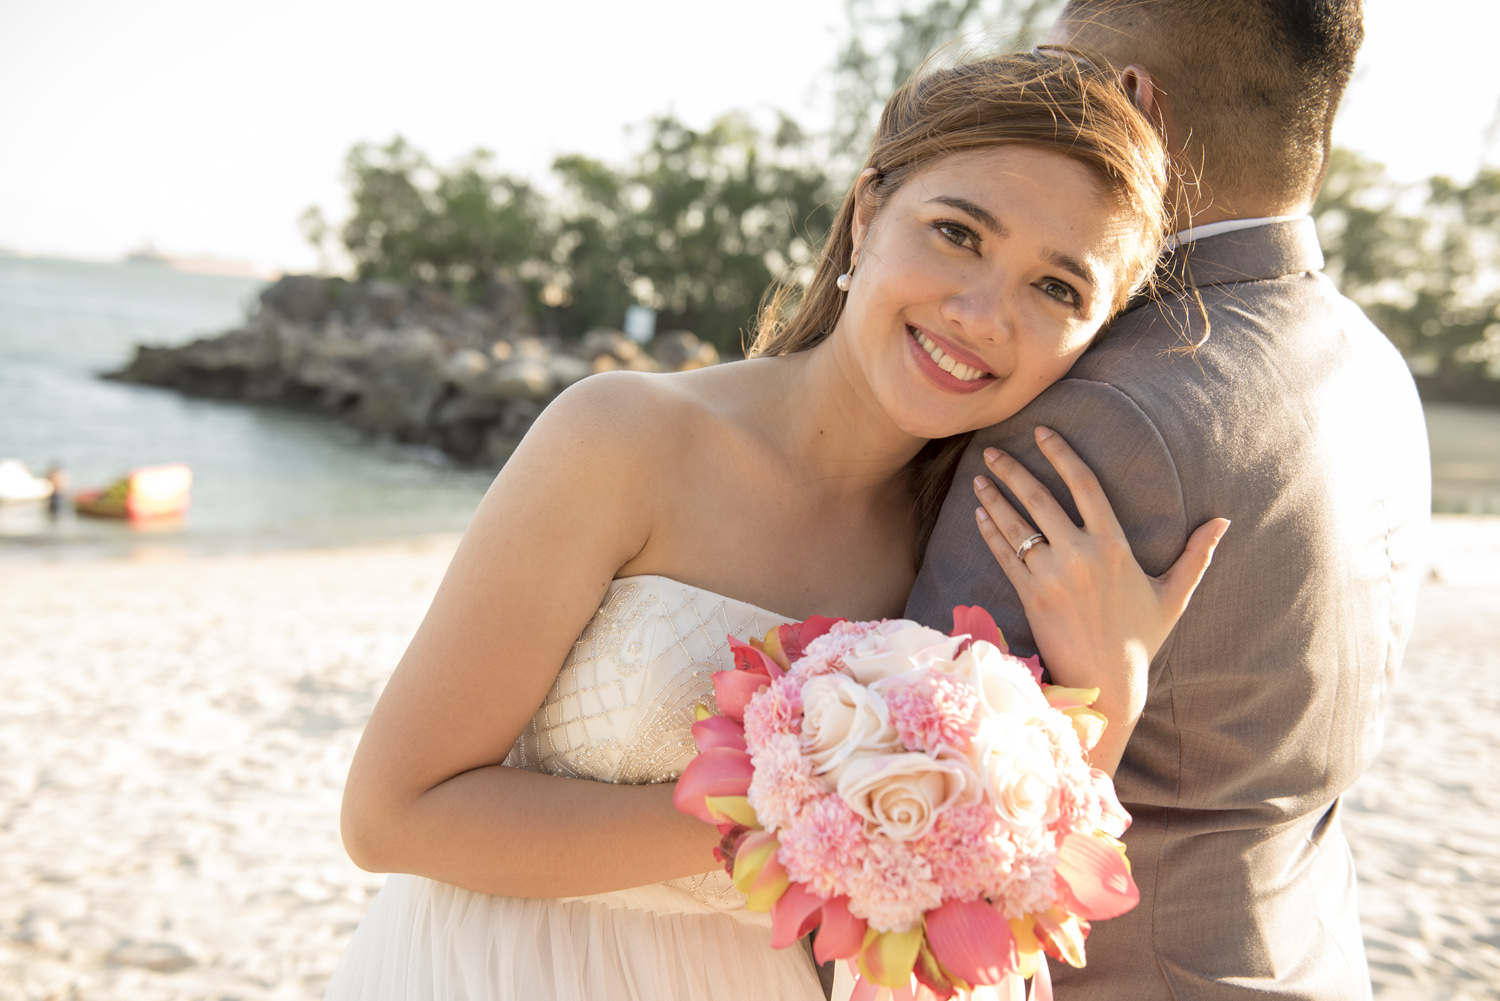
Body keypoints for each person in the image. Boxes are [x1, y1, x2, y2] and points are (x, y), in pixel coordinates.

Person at [324, 51, 1229, 1001]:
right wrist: (808, 818)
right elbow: (392, 815)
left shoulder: (962, 561)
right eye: (958, 232)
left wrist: (1106, 707)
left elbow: (965, 937)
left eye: (1057, 289)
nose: (980, 314)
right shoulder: (624, 437)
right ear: (868, 211)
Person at [907, 2, 1430, 998]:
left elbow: (935, 814)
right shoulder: (1371, 361)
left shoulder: (1104, 410)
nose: (1026, 91)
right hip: (1310, 952)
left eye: (1052, 69)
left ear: (1130, 102)